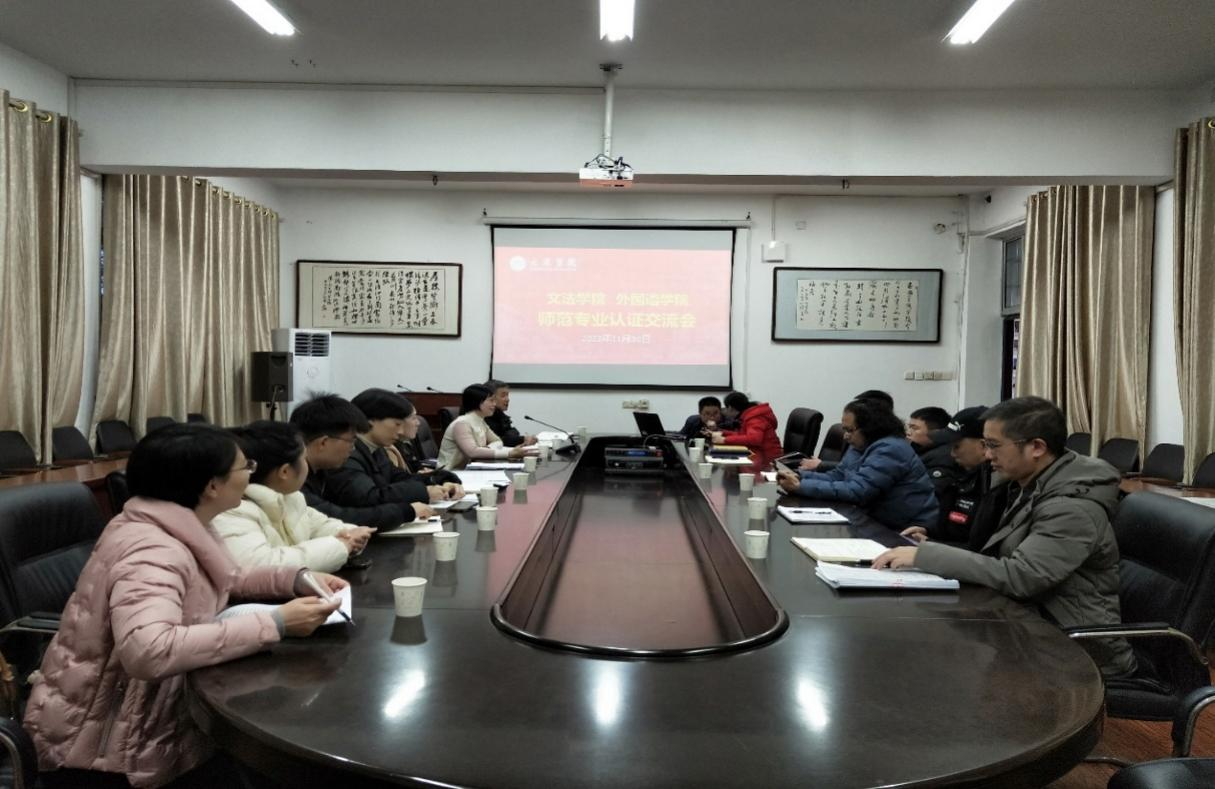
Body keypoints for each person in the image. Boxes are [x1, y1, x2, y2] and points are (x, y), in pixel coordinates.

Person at [24, 424, 345, 788]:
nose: (251, 472)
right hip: (111, 752)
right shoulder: (153, 550)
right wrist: (275, 624)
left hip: (158, 718)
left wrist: (295, 579)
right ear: (212, 486)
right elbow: (149, 650)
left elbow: (228, 576)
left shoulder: (180, 521)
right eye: (246, 466)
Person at [872, 396, 1135, 678]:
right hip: (1028, 627)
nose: (987, 455)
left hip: (1075, 652)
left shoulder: (1071, 508)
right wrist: (934, 549)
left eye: (994, 445)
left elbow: (1021, 577)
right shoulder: (1028, 485)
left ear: (1036, 447)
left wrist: (926, 556)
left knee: (930, 665)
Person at [215, 421, 376, 572]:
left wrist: (349, 534)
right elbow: (266, 566)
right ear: (285, 471)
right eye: (304, 459)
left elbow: (320, 525)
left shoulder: (291, 498)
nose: (307, 465)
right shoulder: (232, 510)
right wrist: (340, 546)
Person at [778, 398, 938, 530]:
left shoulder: (891, 449)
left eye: (850, 430)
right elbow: (838, 475)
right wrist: (800, 476)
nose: (845, 436)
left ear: (870, 428)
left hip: (905, 529)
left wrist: (801, 486)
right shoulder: (862, 444)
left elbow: (858, 491)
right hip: (873, 518)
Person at [291, 393, 431, 528]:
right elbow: (336, 517)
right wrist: (406, 511)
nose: (353, 448)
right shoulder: (292, 478)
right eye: (351, 441)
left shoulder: (319, 470)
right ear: (323, 443)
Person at [325, 388, 463, 512]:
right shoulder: (346, 453)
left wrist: (440, 480)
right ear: (370, 420)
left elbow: (398, 478)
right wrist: (423, 492)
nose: (401, 431)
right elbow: (367, 497)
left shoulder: (376, 448)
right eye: (397, 424)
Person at [901, 406, 997, 547]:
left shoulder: (996, 487)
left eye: (956, 446)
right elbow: (954, 523)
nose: (951, 454)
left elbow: (979, 548)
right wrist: (929, 531)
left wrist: (932, 546)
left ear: (983, 446)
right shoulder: (965, 475)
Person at [799, 389, 896, 473]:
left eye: (850, 430)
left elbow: (856, 478)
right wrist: (800, 478)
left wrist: (821, 465)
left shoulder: (889, 448)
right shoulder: (859, 439)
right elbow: (844, 470)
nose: (845, 436)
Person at [438, 383, 531, 470]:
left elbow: (497, 441)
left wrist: (489, 449)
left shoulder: (480, 421)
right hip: (450, 473)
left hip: (468, 470)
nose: (494, 404)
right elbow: (472, 452)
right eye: (491, 400)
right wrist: (510, 453)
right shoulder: (462, 423)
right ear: (477, 402)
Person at [709, 392, 784, 459]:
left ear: (730, 407)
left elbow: (754, 439)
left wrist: (724, 440)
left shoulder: (755, 418)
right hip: (758, 455)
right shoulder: (749, 414)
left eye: (726, 408)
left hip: (768, 460)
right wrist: (722, 432)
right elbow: (743, 435)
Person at [906, 405, 961, 492]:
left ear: (935, 433)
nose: (908, 432)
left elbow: (928, 492)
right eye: (909, 427)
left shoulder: (943, 458)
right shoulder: (919, 450)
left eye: (914, 428)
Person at [483, 379, 537, 448]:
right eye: (503, 396)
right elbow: (498, 441)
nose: (507, 399)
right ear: (490, 397)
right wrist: (523, 439)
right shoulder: (485, 417)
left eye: (507, 395)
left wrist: (522, 440)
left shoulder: (501, 415)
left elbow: (512, 434)